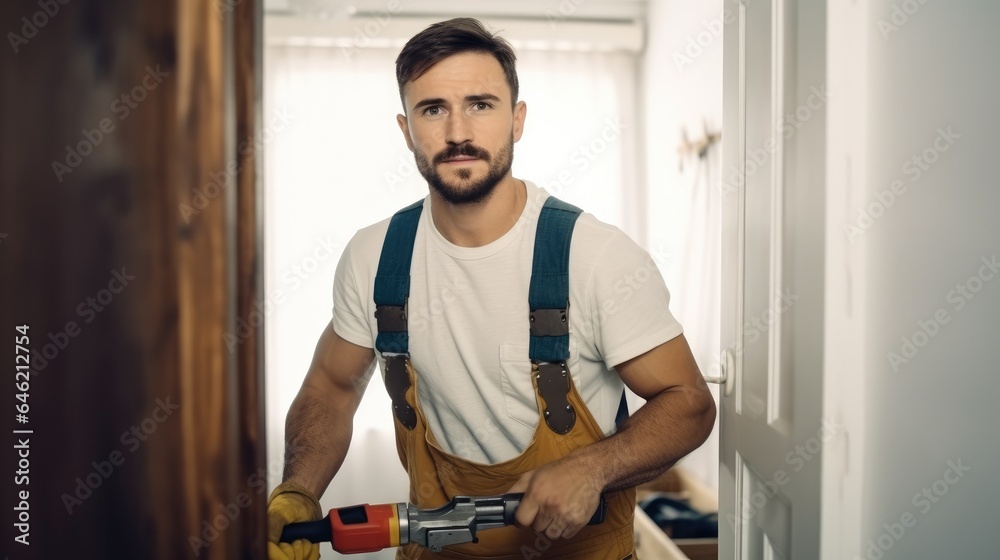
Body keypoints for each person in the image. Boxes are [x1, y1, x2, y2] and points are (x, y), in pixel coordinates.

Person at [266, 17, 716, 560]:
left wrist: (591, 468)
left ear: (517, 119)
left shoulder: (593, 256)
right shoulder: (374, 258)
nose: (458, 132)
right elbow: (330, 388)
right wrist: (299, 489)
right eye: (433, 109)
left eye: (480, 104)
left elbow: (689, 403)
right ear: (406, 129)